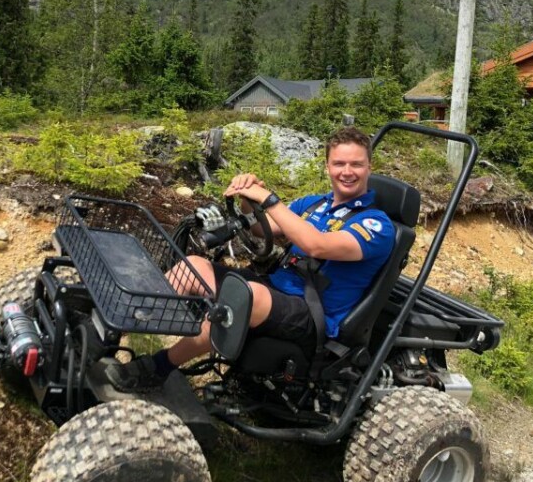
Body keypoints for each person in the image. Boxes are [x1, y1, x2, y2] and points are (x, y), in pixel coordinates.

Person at [107, 125, 396, 391]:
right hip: (274, 287)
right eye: (339, 163)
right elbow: (262, 228)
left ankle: (157, 368)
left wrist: (270, 199)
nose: (347, 171)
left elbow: (315, 245)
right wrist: (249, 200)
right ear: (327, 167)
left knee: (243, 297)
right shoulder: (314, 204)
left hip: (313, 314)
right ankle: (110, 335)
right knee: (193, 266)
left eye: (356, 164)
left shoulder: (376, 224)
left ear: (370, 167)